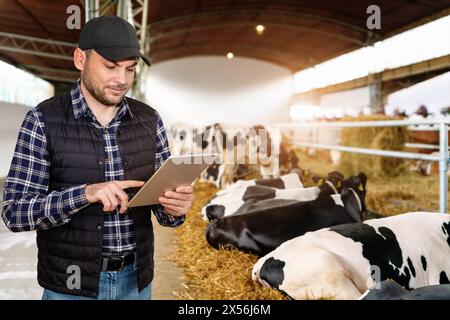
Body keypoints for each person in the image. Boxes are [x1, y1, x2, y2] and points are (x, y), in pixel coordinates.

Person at [1, 15, 194, 300]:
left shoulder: (149, 120)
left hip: (136, 283)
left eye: (130, 69)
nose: (122, 80)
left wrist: (176, 209)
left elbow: (165, 215)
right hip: (70, 286)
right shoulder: (43, 120)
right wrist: (85, 194)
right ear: (80, 59)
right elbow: (15, 212)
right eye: (110, 66)